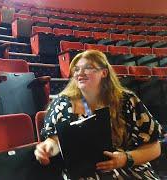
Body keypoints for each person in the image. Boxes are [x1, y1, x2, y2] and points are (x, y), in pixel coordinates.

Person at [34, 50, 163, 179]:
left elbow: (155, 147)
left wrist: (125, 159)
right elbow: (55, 140)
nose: (80, 73)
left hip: (127, 166)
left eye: (88, 68)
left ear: (104, 73)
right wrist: (47, 148)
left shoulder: (126, 100)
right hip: (83, 172)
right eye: (77, 69)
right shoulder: (62, 103)